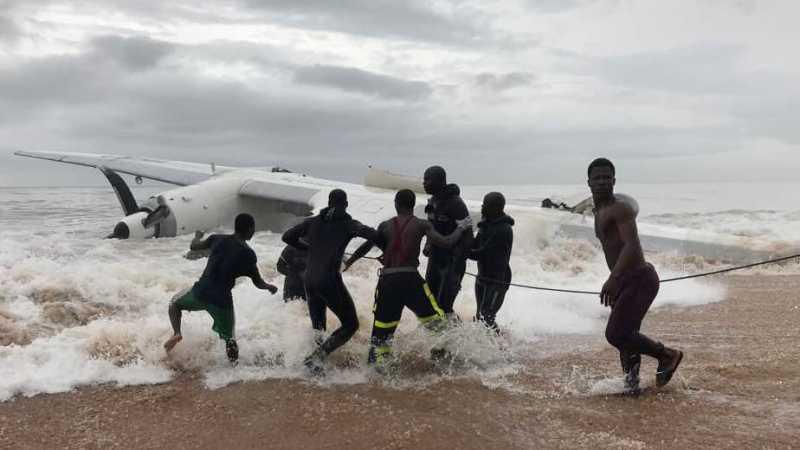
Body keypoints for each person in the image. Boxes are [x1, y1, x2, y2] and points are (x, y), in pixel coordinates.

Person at [344, 189, 471, 372]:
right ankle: (450, 358)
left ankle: (375, 374)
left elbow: (367, 246)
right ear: (412, 205)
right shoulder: (422, 224)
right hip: (411, 281)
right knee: (439, 324)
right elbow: (446, 242)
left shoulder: (385, 225)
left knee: (381, 331)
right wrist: (461, 227)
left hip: (388, 281)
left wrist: (349, 262)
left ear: (396, 204)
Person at [588, 158, 683, 395]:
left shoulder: (620, 209)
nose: (602, 182)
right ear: (588, 182)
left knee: (616, 333)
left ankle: (667, 355)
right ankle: (632, 385)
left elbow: (631, 245)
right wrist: (617, 281)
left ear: (614, 181)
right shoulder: (597, 211)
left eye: (606, 178)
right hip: (623, 282)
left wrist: (613, 279)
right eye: (597, 178)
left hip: (639, 279)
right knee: (627, 338)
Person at [282, 189, 377, 375]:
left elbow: (287, 237)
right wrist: (353, 259)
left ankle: (316, 368)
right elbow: (376, 237)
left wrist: (309, 248)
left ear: (328, 202)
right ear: (346, 204)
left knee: (318, 327)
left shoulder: (312, 222)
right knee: (351, 325)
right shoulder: (349, 225)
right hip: (329, 280)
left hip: (309, 280)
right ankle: (316, 358)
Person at [164, 213, 278, 363]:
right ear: (250, 229)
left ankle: (177, 333)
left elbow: (194, 246)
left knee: (174, 304)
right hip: (221, 301)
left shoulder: (216, 239)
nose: (253, 231)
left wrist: (197, 236)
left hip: (200, 292)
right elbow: (258, 282)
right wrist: (269, 287)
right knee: (230, 339)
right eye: (253, 229)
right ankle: (233, 369)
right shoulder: (248, 254)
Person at [422, 166, 474, 320]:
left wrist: (457, 263)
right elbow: (430, 227)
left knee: (444, 306)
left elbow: (468, 235)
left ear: (440, 181)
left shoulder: (456, 203)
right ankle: (435, 337)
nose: (424, 183)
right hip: (435, 259)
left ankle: (454, 338)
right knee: (430, 301)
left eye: (427, 180)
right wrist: (427, 245)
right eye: (423, 179)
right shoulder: (433, 201)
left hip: (452, 262)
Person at [468, 192, 514, 334]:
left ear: (496, 208)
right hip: (482, 277)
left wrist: (461, 252)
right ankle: (482, 346)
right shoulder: (485, 225)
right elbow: (474, 245)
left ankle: (499, 347)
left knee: (486, 316)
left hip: (497, 281)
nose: (482, 207)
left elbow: (482, 254)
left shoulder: (504, 229)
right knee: (479, 315)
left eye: (485, 205)